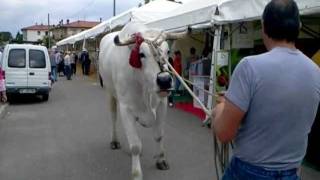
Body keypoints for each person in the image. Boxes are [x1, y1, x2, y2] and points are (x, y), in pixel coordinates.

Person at [212, 0, 320, 179]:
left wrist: (220, 108)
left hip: (247, 172)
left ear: (263, 26)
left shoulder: (249, 67)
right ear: (299, 26)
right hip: (292, 173)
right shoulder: (316, 72)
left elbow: (224, 133)